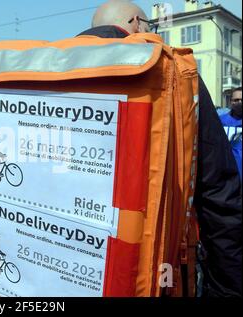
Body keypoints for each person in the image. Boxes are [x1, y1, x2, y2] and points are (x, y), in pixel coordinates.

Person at [79, 0, 241, 297]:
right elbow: (219, 191)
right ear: (136, 24)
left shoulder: (52, 72)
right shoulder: (170, 73)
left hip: (72, 262)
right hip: (151, 270)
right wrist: (227, 288)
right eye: (150, 27)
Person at [220, 87, 242, 179]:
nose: (240, 103)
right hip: (227, 176)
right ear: (231, 101)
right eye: (236, 100)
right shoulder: (220, 121)